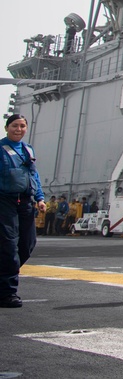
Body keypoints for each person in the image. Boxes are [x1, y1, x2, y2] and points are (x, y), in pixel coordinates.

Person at [0, 114, 46, 308]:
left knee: (27, 244)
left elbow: (33, 175)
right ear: (6, 127)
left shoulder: (28, 149)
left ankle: (3, 276)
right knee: (9, 246)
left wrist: (40, 198)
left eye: (22, 126)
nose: (18, 129)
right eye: (14, 126)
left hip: (26, 202)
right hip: (5, 201)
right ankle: (7, 293)